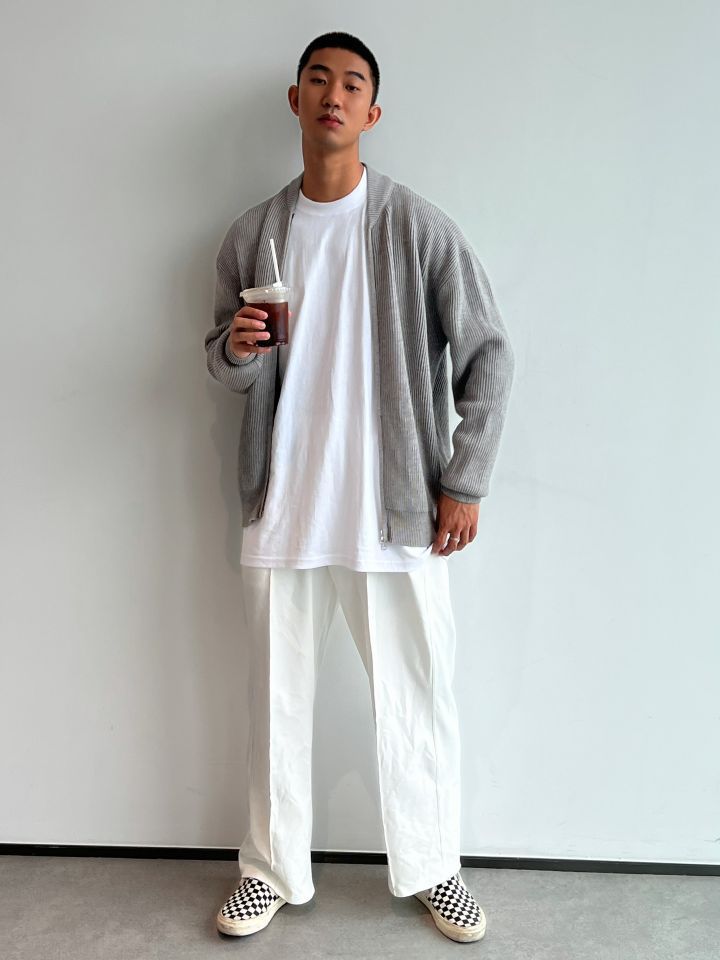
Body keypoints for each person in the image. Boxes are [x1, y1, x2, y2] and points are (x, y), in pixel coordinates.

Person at [204, 30, 514, 944]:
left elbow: (490, 354)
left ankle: (435, 867)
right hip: (284, 506)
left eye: (351, 84)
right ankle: (269, 870)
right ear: (295, 100)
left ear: (371, 111)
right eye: (318, 80)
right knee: (274, 705)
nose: (333, 95)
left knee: (418, 696)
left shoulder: (417, 227)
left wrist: (465, 479)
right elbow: (223, 362)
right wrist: (237, 350)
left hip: (395, 511)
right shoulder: (254, 234)